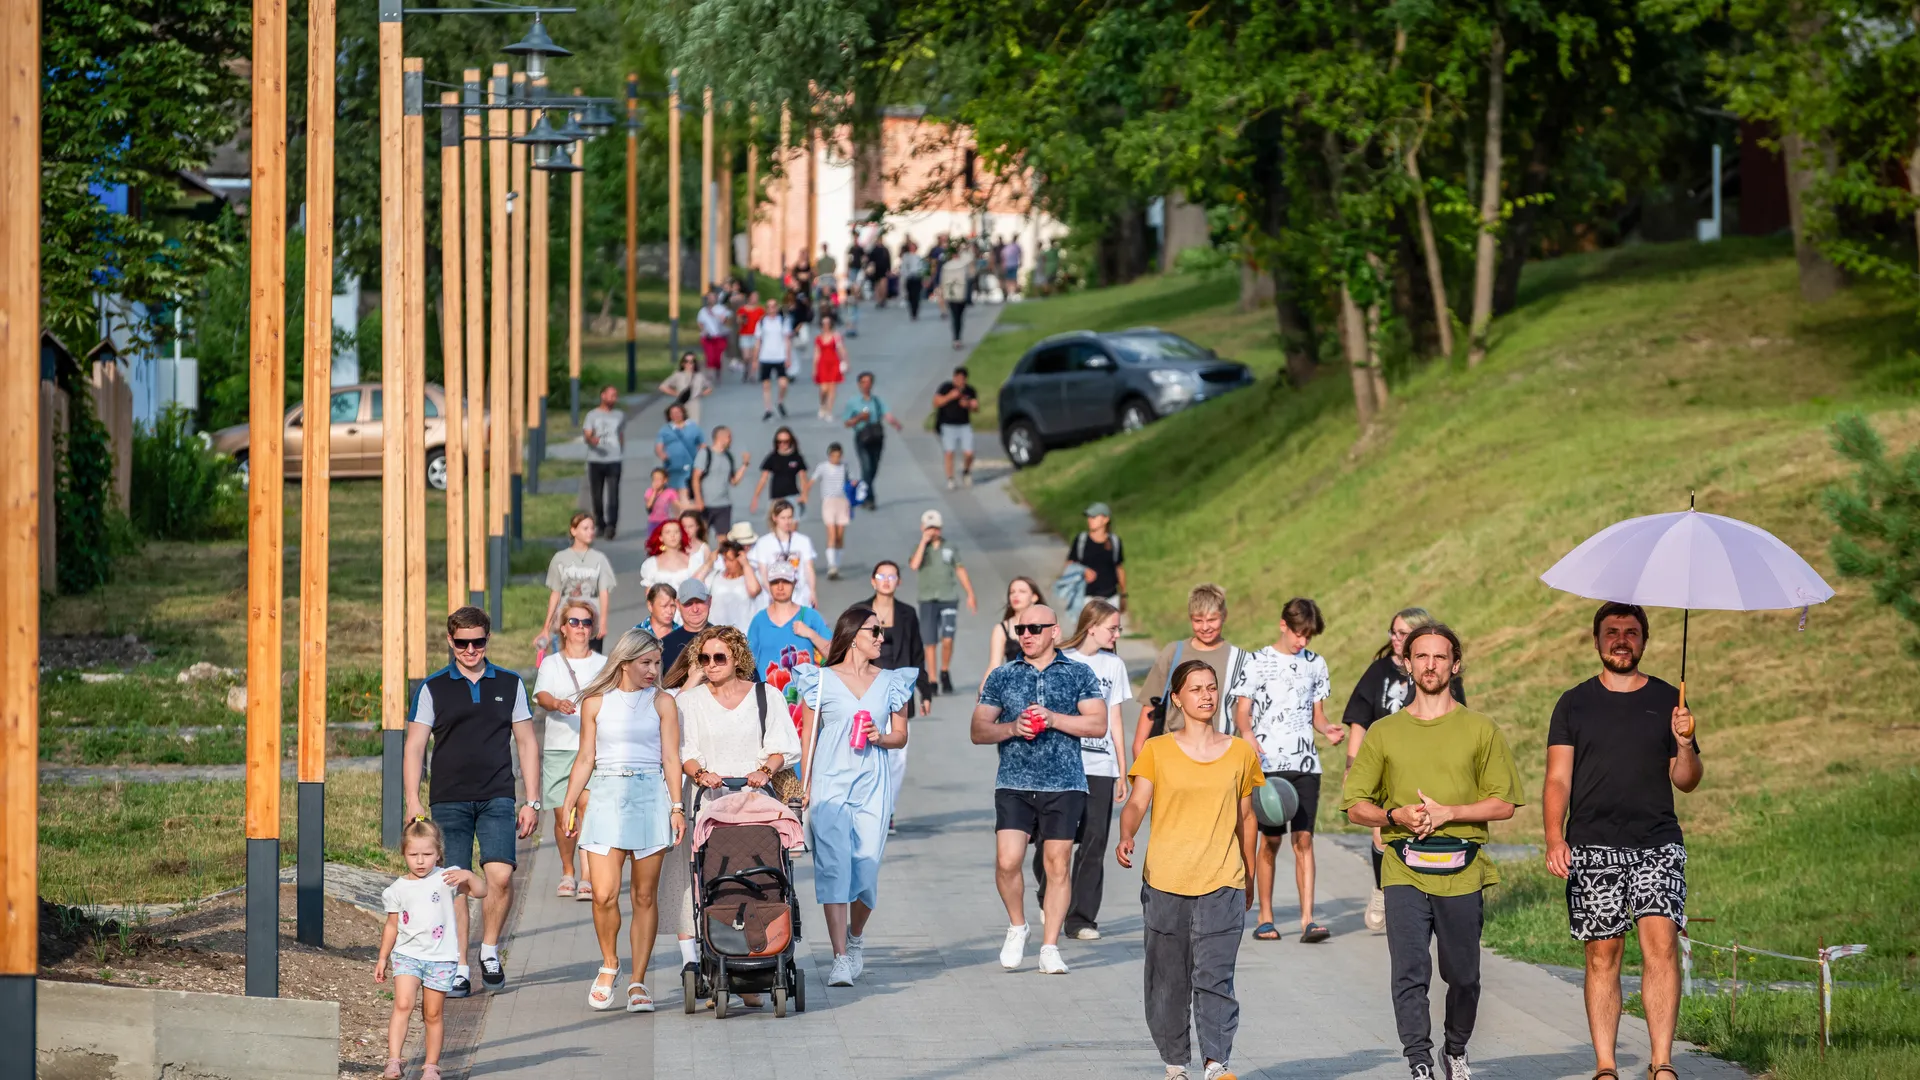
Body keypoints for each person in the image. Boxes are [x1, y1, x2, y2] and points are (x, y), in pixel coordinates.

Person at [1341, 624, 1524, 1080]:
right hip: (1404, 865)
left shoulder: (1481, 729)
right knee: (1409, 969)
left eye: (1440, 657)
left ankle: (1455, 1048)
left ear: (1455, 665)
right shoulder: (1384, 732)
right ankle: (1419, 1059)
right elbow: (1354, 806)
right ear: (1406, 662)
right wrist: (1394, 817)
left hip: (1463, 866)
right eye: (1420, 656)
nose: (1429, 665)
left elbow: (1504, 803)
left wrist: (1450, 813)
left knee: (1463, 975)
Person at [1545, 603, 1703, 1080]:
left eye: (1631, 633)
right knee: (1602, 953)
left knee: (1662, 946)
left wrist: (1686, 741)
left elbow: (1687, 780)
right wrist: (1555, 838)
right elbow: (1557, 780)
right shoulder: (1573, 703)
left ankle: (1661, 1064)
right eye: (1611, 632)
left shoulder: (1668, 701)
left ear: (1644, 641)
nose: (1621, 640)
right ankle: (1607, 1066)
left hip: (1656, 842)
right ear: (1596, 641)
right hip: (1592, 844)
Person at [1117, 660, 1263, 1080]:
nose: (1206, 695)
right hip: (1166, 880)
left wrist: (1248, 874)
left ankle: (1217, 1062)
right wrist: (1127, 835)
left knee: (1216, 975)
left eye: (1212, 687)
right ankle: (1175, 1062)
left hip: (1223, 879)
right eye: (1196, 688)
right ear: (1177, 698)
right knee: (1168, 979)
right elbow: (1136, 805)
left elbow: (1247, 818)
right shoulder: (1157, 750)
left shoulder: (1240, 752)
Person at [404, 607, 540, 997]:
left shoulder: (511, 683)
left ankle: (490, 950)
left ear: (487, 639)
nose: (470, 649)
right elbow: (415, 747)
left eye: (477, 642)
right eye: (462, 643)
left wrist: (532, 800)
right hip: (448, 799)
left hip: (497, 793)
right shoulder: (433, 688)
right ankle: (461, 965)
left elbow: (528, 743)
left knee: (500, 875)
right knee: (455, 883)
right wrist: (413, 800)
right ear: (450, 641)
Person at [971, 604, 1107, 975]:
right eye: (1020, 629)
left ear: (1054, 631)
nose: (1026, 635)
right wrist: (1013, 728)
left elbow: (1098, 724)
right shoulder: (1002, 676)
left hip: (1065, 783)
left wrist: (1053, 719)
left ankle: (1049, 947)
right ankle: (1018, 925)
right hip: (1014, 782)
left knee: (1057, 864)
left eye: (1034, 628)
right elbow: (979, 730)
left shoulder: (1079, 673)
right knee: (1007, 861)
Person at [675, 624, 805, 1006]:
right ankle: (719, 959)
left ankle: (760, 953)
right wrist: (700, 774)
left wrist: (766, 770)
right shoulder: (691, 701)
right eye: (704, 658)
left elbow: (781, 745)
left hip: (756, 798)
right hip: (711, 800)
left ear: (737, 659)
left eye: (719, 657)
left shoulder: (767, 695)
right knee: (714, 877)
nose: (711, 665)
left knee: (762, 875)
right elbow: (685, 750)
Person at [559, 627, 685, 1013]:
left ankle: (638, 982)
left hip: (650, 796)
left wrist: (677, 807)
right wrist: (567, 804)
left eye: (657, 663)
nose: (652, 670)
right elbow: (585, 757)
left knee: (644, 895)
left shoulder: (663, 703)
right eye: (645, 663)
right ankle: (610, 963)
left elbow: (670, 758)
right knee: (603, 893)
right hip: (606, 796)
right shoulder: (596, 703)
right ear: (625, 662)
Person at [795, 607, 916, 987]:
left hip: (872, 783)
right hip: (830, 782)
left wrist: (881, 737)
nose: (882, 637)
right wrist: (806, 784)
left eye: (882, 632)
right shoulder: (819, 680)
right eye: (875, 631)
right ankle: (840, 958)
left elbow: (901, 735)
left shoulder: (893, 681)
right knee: (833, 866)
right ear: (851, 634)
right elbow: (808, 736)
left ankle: (856, 937)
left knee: (865, 870)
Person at [1343, 607, 1468, 931]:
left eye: (1402, 634)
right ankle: (1383, 889)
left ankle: (1433, 895)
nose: (1396, 640)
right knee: (1384, 833)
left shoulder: (1439, 673)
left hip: (1431, 765)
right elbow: (1360, 718)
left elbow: (1459, 719)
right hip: (1386, 765)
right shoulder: (1379, 671)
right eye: (1393, 633)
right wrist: (1351, 765)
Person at [1230, 597, 1342, 944]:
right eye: (1298, 633)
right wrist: (1247, 734)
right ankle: (1265, 917)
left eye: (1308, 636)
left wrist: (1327, 730)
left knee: (1304, 839)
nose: (1302, 641)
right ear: (1283, 625)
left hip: (1305, 764)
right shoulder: (1258, 661)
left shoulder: (1315, 664)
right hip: (1268, 766)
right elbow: (1242, 710)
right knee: (1270, 841)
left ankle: (1309, 919)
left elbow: (1317, 715)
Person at [1039, 599, 1132, 941]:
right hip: (1065, 762)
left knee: (1094, 841)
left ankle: (1080, 918)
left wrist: (1123, 770)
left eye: (1118, 628)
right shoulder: (1063, 661)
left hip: (1101, 765)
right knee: (1053, 838)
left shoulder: (1114, 665)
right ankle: (1046, 892)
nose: (1117, 633)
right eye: (1112, 628)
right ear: (1091, 627)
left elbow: (1116, 720)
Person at [377, 819, 487, 1080]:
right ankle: (394, 1061)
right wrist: (383, 957)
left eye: (427, 854)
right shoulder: (396, 889)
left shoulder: (447, 878)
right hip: (407, 956)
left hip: (441, 958)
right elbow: (392, 926)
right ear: (403, 853)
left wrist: (469, 875)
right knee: (403, 1004)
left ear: (438, 853)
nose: (420, 861)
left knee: (433, 1013)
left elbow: (481, 892)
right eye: (413, 854)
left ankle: (431, 1065)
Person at [532, 600, 609, 902]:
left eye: (586, 622)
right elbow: (541, 695)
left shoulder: (603, 664)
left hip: (593, 748)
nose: (580, 628)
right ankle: (567, 870)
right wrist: (557, 704)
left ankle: (587, 876)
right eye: (574, 622)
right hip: (559, 747)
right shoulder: (552, 663)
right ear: (563, 628)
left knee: (588, 806)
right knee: (565, 815)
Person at [1132, 584, 1249, 761]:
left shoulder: (1241, 659)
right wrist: (1139, 751)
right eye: (1198, 620)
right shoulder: (1173, 653)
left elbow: (1247, 715)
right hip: (1173, 756)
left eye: (1212, 620)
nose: (1205, 627)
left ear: (1224, 616)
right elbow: (1150, 705)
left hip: (1221, 756)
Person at [538, 512, 615, 652]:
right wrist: (546, 627)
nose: (590, 532)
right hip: (567, 618)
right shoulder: (560, 558)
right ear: (573, 531)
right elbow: (555, 593)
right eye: (585, 528)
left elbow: (604, 593)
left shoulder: (599, 559)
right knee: (566, 664)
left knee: (592, 667)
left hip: (591, 619)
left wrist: (603, 622)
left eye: (592, 528)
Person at [867, 558, 930, 719]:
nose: (886, 581)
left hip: (900, 689)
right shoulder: (860, 612)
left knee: (899, 741)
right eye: (881, 577)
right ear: (873, 581)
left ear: (899, 582)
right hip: (868, 687)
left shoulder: (907, 613)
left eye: (892, 577)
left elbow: (917, 654)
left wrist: (925, 692)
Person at [746, 563, 831, 678]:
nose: (780, 587)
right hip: (768, 694)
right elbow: (747, 662)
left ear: (794, 583)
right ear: (769, 584)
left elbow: (833, 654)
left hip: (805, 694)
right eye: (775, 582)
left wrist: (811, 635)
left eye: (785, 581)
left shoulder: (810, 616)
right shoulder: (759, 621)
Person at [842, 371, 903, 507]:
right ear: (859, 384)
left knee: (873, 468)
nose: (866, 385)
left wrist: (896, 424)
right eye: (863, 382)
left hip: (876, 437)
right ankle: (869, 498)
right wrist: (859, 418)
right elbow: (846, 422)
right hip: (862, 437)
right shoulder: (854, 402)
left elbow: (887, 414)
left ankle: (864, 489)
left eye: (868, 382)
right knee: (866, 467)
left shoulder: (877, 401)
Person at [748, 499, 820, 609]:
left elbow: (809, 569)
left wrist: (813, 592)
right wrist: (773, 594)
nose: (787, 522)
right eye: (783, 518)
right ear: (774, 518)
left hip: (800, 595)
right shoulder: (764, 543)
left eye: (790, 517)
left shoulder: (803, 541)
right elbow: (763, 573)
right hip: (774, 597)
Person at [981, 575, 1044, 694]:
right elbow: (994, 664)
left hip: (1043, 688)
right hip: (1013, 690)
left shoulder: (1048, 626)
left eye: (1022, 591)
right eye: (1012, 592)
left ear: (1034, 597)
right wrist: (983, 692)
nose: (1015, 595)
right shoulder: (1002, 628)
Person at [582, 385, 625, 538]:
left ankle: (611, 525)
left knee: (613, 494)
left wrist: (621, 450)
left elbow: (620, 434)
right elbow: (587, 433)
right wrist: (591, 440)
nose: (613, 398)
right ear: (603, 396)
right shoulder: (592, 415)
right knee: (597, 495)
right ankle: (600, 523)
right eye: (611, 395)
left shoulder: (620, 415)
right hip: (596, 459)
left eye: (615, 395)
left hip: (614, 459)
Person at [1066, 502, 1127, 608]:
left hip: (1111, 598)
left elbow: (1119, 568)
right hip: (1086, 598)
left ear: (1106, 519)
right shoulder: (1081, 540)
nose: (1089, 520)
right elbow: (1069, 566)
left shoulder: (1115, 542)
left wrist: (1124, 594)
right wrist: (1083, 571)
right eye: (1088, 517)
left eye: (1094, 517)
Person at [691, 425, 748, 535]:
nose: (731, 440)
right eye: (729, 437)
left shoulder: (728, 457)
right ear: (721, 438)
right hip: (706, 504)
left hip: (724, 504)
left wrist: (744, 465)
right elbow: (695, 477)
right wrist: (698, 499)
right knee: (702, 537)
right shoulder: (705, 453)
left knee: (724, 539)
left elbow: (734, 481)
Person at [811, 443, 854, 580]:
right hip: (828, 501)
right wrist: (804, 494)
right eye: (833, 456)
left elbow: (852, 481)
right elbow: (812, 480)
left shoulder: (845, 467)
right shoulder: (822, 467)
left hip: (843, 501)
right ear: (829, 455)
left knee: (840, 535)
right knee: (832, 534)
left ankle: (837, 564)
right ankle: (832, 566)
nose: (836, 459)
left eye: (838, 456)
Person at [932, 366, 980, 489]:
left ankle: (966, 471)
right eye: (957, 378)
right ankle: (950, 479)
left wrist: (969, 405)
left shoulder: (970, 390)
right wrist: (950, 397)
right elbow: (936, 402)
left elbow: (976, 408)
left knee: (969, 453)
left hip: (964, 425)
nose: (959, 381)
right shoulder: (946, 387)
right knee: (949, 452)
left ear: (965, 379)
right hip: (948, 425)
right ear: (954, 378)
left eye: (962, 379)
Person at [749, 428, 811, 520]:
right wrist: (755, 497)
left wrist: (804, 495)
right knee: (775, 530)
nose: (782, 444)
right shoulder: (772, 457)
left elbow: (803, 478)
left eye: (786, 441)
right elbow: (763, 479)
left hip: (793, 497)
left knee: (792, 530)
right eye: (779, 442)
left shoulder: (797, 457)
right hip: (775, 498)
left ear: (791, 441)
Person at [706, 531, 762, 629]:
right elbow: (693, 584)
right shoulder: (715, 576)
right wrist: (709, 562)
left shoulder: (750, 576)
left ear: (740, 558)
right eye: (724, 560)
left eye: (730, 560)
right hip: (716, 633)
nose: (727, 564)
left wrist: (746, 564)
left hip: (742, 634)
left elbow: (754, 590)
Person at [659, 578, 714, 672]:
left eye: (700, 601)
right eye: (688, 603)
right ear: (677, 604)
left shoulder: (726, 638)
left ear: (709, 601)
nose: (695, 609)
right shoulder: (663, 646)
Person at [755, 295, 795, 420]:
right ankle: (768, 409)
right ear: (766, 308)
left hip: (779, 356)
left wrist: (788, 357)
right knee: (766, 385)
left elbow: (787, 340)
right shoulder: (762, 322)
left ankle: (780, 401)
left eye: (774, 306)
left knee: (783, 384)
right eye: (769, 306)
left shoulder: (783, 321)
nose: (772, 309)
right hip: (765, 356)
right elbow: (758, 341)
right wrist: (755, 359)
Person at [654, 402, 706, 496]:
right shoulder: (665, 430)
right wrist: (662, 454)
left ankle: (686, 509)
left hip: (691, 466)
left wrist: (703, 459)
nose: (676, 415)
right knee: (674, 494)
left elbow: (702, 445)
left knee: (687, 491)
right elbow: (659, 446)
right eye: (673, 413)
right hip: (673, 467)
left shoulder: (693, 427)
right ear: (669, 416)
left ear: (683, 413)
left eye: (678, 412)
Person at [639, 518, 698, 594]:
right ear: (661, 537)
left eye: (676, 532)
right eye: (668, 532)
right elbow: (649, 594)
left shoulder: (693, 561)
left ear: (681, 535)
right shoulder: (651, 564)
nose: (672, 535)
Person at [659, 351, 714, 423]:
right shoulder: (678, 374)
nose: (689, 363)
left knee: (693, 426)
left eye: (692, 361)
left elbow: (710, 387)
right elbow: (663, 386)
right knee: (681, 424)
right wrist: (676, 393)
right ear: (682, 363)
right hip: (682, 403)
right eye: (686, 361)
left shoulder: (699, 375)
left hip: (694, 403)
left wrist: (701, 394)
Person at [813, 313, 847, 420]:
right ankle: (822, 405)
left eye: (827, 323)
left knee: (832, 387)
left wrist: (845, 361)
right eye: (824, 324)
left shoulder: (836, 336)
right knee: (823, 388)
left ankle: (829, 411)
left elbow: (841, 349)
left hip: (833, 362)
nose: (826, 326)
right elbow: (816, 354)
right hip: (823, 364)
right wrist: (814, 368)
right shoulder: (818, 338)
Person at [937, 248, 973, 349]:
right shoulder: (963, 265)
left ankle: (956, 338)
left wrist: (943, 293)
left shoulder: (946, 266)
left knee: (955, 316)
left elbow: (943, 281)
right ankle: (958, 338)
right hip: (961, 294)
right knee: (959, 317)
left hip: (950, 294)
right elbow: (969, 277)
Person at [697, 290, 731, 373]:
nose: (711, 299)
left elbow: (727, 322)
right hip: (707, 337)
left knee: (718, 358)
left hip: (720, 336)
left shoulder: (722, 309)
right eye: (709, 297)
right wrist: (704, 331)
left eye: (713, 297)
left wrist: (715, 315)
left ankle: (718, 373)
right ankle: (710, 375)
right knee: (709, 356)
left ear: (716, 298)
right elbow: (700, 322)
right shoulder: (703, 311)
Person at [737, 291, 766, 379]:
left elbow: (764, 322)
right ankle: (746, 369)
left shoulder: (760, 310)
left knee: (755, 356)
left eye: (756, 297)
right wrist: (742, 320)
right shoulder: (742, 309)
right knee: (746, 356)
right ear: (749, 298)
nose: (755, 299)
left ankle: (752, 374)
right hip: (745, 334)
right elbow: (738, 321)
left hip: (756, 335)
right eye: (753, 297)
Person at [899, 240, 926, 320]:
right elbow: (903, 268)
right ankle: (912, 311)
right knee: (910, 295)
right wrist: (905, 275)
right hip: (909, 278)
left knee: (916, 295)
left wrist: (924, 277)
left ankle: (915, 312)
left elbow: (922, 268)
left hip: (917, 277)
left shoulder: (919, 257)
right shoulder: (906, 256)